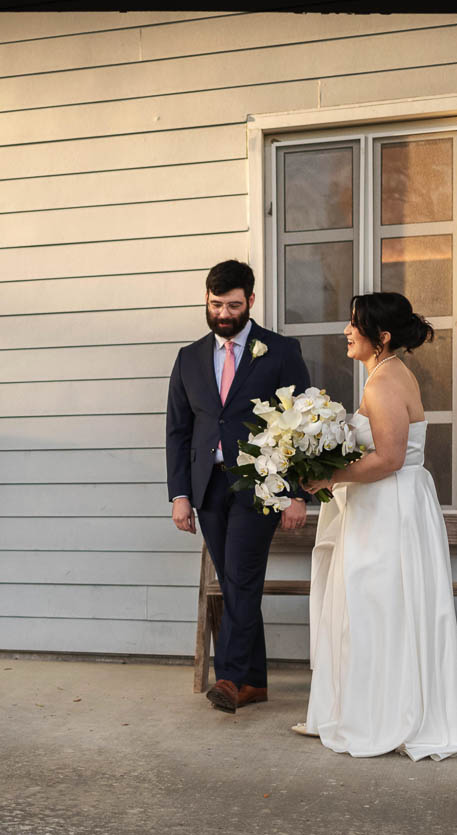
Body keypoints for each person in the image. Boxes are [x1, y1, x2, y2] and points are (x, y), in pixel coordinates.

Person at [298, 293, 457, 760]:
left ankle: (383, 716)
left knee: (377, 607)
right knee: (384, 607)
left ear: (380, 337)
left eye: (354, 325)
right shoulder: (389, 373)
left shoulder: (383, 384)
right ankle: (373, 708)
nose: (346, 331)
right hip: (391, 505)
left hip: (388, 509)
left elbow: (389, 458)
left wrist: (328, 476)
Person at [165, 259, 312, 714]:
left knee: (242, 579)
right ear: (205, 302)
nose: (223, 314)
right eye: (215, 305)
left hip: (261, 488)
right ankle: (255, 682)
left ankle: (228, 677)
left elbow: (301, 424)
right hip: (207, 488)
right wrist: (180, 495)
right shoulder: (189, 357)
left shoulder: (281, 350)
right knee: (234, 584)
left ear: (251, 300)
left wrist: (297, 493)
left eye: (232, 305)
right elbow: (178, 429)